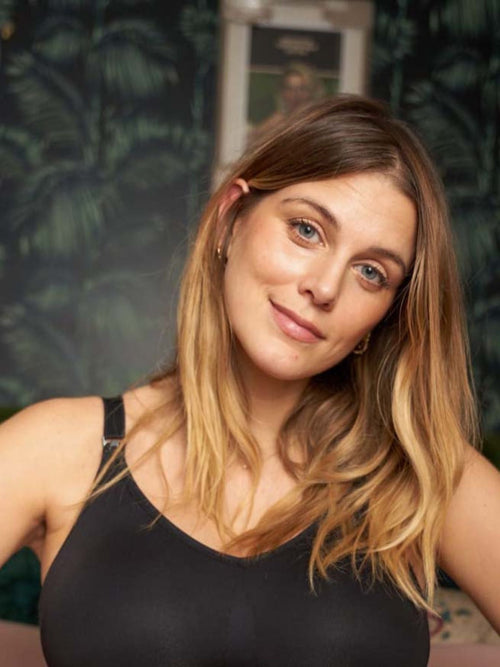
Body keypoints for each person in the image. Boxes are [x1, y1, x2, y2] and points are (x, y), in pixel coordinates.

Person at [0, 95, 499, 666]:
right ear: (230, 219)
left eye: (370, 272)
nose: (325, 287)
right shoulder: (60, 448)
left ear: (385, 315)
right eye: (306, 230)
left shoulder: (423, 471)